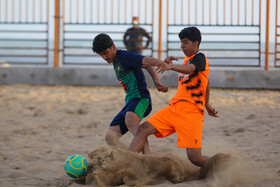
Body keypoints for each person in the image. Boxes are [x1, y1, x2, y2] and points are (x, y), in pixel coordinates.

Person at [128, 27, 218, 167]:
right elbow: (205, 82)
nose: (182, 46)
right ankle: (127, 164)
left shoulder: (200, 58)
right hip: (175, 109)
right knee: (143, 129)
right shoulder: (187, 60)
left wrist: (171, 67)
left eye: (185, 43)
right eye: (181, 43)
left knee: (195, 159)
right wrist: (207, 103)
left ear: (196, 43)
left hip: (191, 113)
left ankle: (224, 164)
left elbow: (190, 70)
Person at [92, 33, 168, 154]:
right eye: (101, 55)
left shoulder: (124, 57)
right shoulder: (116, 60)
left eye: (106, 52)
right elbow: (147, 65)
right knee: (110, 137)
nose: (105, 57)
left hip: (141, 99)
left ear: (113, 47)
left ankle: (148, 159)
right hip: (130, 101)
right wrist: (157, 82)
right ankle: (132, 160)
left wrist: (162, 64)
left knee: (131, 119)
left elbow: (147, 61)